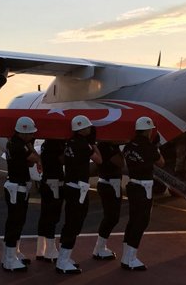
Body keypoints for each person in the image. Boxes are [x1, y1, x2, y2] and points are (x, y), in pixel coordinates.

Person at [55, 115, 102, 274]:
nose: (90, 129)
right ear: (81, 129)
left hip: (70, 185)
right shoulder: (84, 145)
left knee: (70, 222)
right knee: (75, 223)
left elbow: (63, 160)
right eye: (88, 127)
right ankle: (62, 261)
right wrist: (93, 145)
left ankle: (64, 256)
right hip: (78, 189)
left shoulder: (69, 143)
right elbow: (99, 160)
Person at [121, 116, 164, 271]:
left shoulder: (128, 146)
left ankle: (126, 255)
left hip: (132, 184)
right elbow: (161, 162)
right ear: (148, 130)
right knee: (141, 222)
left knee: (133, 220)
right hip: (144, 186)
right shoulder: (149, 147)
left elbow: (125, 163)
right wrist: (156, 147)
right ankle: (131, 258)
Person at [2, 116, 41, 272]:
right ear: (23, 132)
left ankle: (9, 254)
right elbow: (36, 159)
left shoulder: (13, 143)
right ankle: (10, 259)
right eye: (31, 133)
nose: (32, 136)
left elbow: (29, 162)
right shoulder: (20, 146)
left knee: (14, 222)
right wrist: (31, 147)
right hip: (16, 187)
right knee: (15, 223)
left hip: (16, 186)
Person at [92, 141, 124, 260]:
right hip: (110, 184)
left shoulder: (104, 145)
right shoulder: (107, 146)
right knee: (112, 217)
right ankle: (99, 248)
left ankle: (100, 247)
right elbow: (121, 162)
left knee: (110, 217)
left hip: (107, 183)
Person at [36, 139, 65, 263]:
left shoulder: (45, 144)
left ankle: (41, 249)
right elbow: (63, 160)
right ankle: (50, 250)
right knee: (53, 216)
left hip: (46, 180)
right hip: (55, 183)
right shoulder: (56, 143)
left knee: (45, 215)